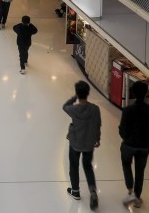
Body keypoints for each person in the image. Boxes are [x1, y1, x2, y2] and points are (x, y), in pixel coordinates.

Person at [119, 80, 149, 208]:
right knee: (140, 170)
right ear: (146, 93)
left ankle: (130, 191)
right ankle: (137, 196)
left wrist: (125, 137)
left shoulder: (128, 110)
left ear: (133, 94)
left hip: (129, 144)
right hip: (145, 146)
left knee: (126, 164)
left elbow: (123, 130)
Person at [64, 80, 101, 208]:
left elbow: (64, 106)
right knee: (87, 166)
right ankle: (92, 191)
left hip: (75, 142)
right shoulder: (95, 109)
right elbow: (98, 125)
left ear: (77, 93)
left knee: (74, 166)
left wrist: (74, 97)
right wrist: (97, 138)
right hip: (89, 143)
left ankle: (75, 191)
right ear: (88, 93)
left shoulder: (73, 109)